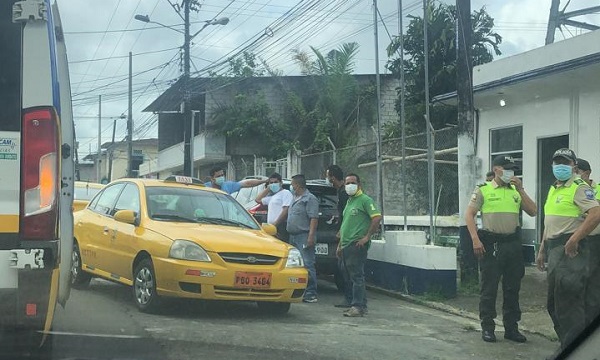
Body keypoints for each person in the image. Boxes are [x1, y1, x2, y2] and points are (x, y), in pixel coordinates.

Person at [465, 155, 537, 343]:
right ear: (496, 169)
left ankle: (511, 328)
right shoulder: (483, 190)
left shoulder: (515, 191)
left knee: (512, 288)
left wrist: (521, 189)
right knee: (489, 288)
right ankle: (488, 327)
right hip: (491, 244)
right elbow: (469, 215)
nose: (510, 172)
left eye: (512, 169)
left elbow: (533, 211)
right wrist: (475, 240)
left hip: (512, 244)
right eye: (507, 168)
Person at [536, 149, 600, 350]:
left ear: (573, 166)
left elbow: (596, 213)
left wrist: (574, 240)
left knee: (569, 305)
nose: (560, 166)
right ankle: (569, 343)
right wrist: (542, 249)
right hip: (554, 249)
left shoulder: (579, 187)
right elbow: (550, 222)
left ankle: (574, 348)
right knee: (554, 304)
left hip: (571, 251)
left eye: (565, 162)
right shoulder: (554, 188)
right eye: (557, 162)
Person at [337, 173, 381, 317]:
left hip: (356, 245)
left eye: (352, 183)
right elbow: (345, 224)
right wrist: (340, 244)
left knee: (356, 276)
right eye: (347, 183)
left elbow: (376, 218)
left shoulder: (365, 200)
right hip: (346, 244)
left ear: (359, 185)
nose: (349, 186)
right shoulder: (350, 202)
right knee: (347, 275)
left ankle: (357, 306)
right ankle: (359, 304)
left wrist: (366, 237)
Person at [286, 174, 319, 303]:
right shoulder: (294, 197)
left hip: (304, 235)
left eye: (293, 185)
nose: (292, 187)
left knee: (307, 263)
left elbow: (313, 218)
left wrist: (310, 236)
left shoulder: (310, 199)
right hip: (293, 236)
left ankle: (311, 292)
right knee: (294, 264)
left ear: (298, 185)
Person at [575, 158, 600, 326]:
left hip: (595, 241)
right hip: (577, 240)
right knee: (577, 281)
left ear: (587, 173)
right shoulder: (573, 190)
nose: (575, 175)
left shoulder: (598, 189)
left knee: (592, 282)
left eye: (578, 171)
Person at [326, 165, 353, 308]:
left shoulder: (343, 194)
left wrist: (341, 232)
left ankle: (350, 298)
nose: (327, 179)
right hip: (343, 233)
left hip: (347, 235)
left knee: (346, 269)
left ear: (333, 177)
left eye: (328, 176)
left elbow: (346, 216)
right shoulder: (340, 192)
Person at [255, 172, 293, 241]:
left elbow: (286, 210)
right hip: (272, 227)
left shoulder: (286, 193)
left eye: (275, 182)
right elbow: (257, 200)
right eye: (271, 183)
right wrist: (268, 189)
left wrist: (275, 224)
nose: (273, 184)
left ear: (281, 183)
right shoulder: (273, 197)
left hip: (280, 226)